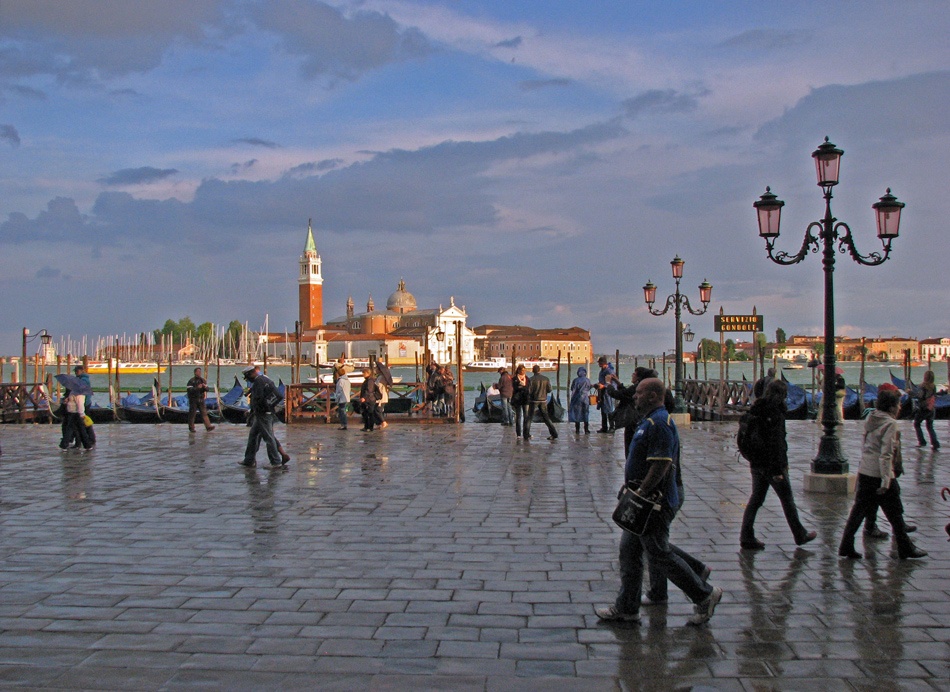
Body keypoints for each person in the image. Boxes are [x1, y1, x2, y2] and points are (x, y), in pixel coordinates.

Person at [596, 378, 722, 626]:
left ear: (653, 396)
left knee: (658, 553)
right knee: (630, 552)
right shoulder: (650, 421)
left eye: (640, 393)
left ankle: (704, 594)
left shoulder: (659, 424)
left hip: (654, 503)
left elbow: (661, 464)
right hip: (643, 500)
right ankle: (627, 608)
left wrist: (641, 491)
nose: (635, 396)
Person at [838, 388, 927, 560]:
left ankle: (846, 545)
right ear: (892, 407)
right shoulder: (890, 424)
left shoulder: (871, 418)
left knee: (858, 512)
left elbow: (866, 444)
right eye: (898, 404)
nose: (900, 407)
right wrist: (886, 480)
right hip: (880, 474)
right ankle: (905, 547)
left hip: (865, 470)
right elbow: (886, 454)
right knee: (895, 513)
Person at [739, 379, 817, 550]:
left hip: (756, 462)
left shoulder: (757, 408)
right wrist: (779, 469)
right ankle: (800, 534)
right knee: (787, 500)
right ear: (782, 395)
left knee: (756, 499)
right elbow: (776, 443)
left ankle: (746, 535)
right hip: (772, 465)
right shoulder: (775, 413)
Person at [241, 365, 289, 468]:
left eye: (246, 376)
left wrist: (258, 409)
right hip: (264, 413)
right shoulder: (265, 379)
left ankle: (276, 462)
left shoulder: (259, 382)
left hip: (263, 414)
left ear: (250, 374)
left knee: (269, 438)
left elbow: (258, 399)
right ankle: (249, 460)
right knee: (253, 436)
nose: (246, 379)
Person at [608, 367, 658, 456]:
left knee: (631, 446)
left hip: (633, 421)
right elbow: (626, 393)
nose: (632, 375)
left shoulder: (637, 389)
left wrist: (608, 384)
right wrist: (617, 383)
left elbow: (619, 394)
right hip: (640, 419)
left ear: (638, 378)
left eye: (634, 374)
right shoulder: (644, 388)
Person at [524, 365, 558, 440]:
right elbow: (549, 389)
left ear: (533, 371)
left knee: (529, 418)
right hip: (543, 400)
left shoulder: (530, 379)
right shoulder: (546, 379)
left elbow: (529, 391)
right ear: (539, 371)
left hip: (534, 400)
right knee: (546, 418)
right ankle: (554, 433)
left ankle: (526, 434)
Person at [913, 370, 940, 449]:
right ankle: (935, 443)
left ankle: (922, 441)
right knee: (930, 426)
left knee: (917, 424)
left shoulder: (923, 386)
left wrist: (910, 393)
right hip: (931, 408)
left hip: (923, 408)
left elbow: (920, 396)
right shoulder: (934, 386)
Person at [186, 367, 216, 433]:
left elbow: (207, 389)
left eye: (200, 371)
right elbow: (189, 390)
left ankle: (208, 426)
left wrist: (205, 387)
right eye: (198, 372)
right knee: (192, 414)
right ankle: (191, 428)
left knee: (204, 413)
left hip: (201, 399)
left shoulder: (203, 380)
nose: (199, 373)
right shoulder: (191, 381)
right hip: (193, 399)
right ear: (195, 373)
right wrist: (197, 388)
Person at [594, 356, 616, 433]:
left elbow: (611, 383)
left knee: (609, 409)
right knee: (603, 410)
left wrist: (604, 386)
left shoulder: (609, 371)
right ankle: (604, 427)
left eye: (600, 363)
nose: (599, 364)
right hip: (602, 392)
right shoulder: (602, 370)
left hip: (608, 392)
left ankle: (612, 427)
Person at [569, 367, 591, 435]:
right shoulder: (587, 380)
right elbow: (589, 388)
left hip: (577, 398)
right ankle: (586, 429)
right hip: (585, 398)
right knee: (586, 413)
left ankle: (577, 429)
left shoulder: (576, 380)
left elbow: (572, 388)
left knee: (577, 413)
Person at [511, 364, 530, 438]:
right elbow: (514, 388)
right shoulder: (514, 379)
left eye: (524, 370)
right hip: (517, 400)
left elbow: (529, 388)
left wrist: (522, 387)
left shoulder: (527, 379)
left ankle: (526, 433)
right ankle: (518, 433)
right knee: (518, 417)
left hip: (526, 399)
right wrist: (522, 387)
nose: (523, 372)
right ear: (518, 370)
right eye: (522, 370)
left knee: (526, 416)